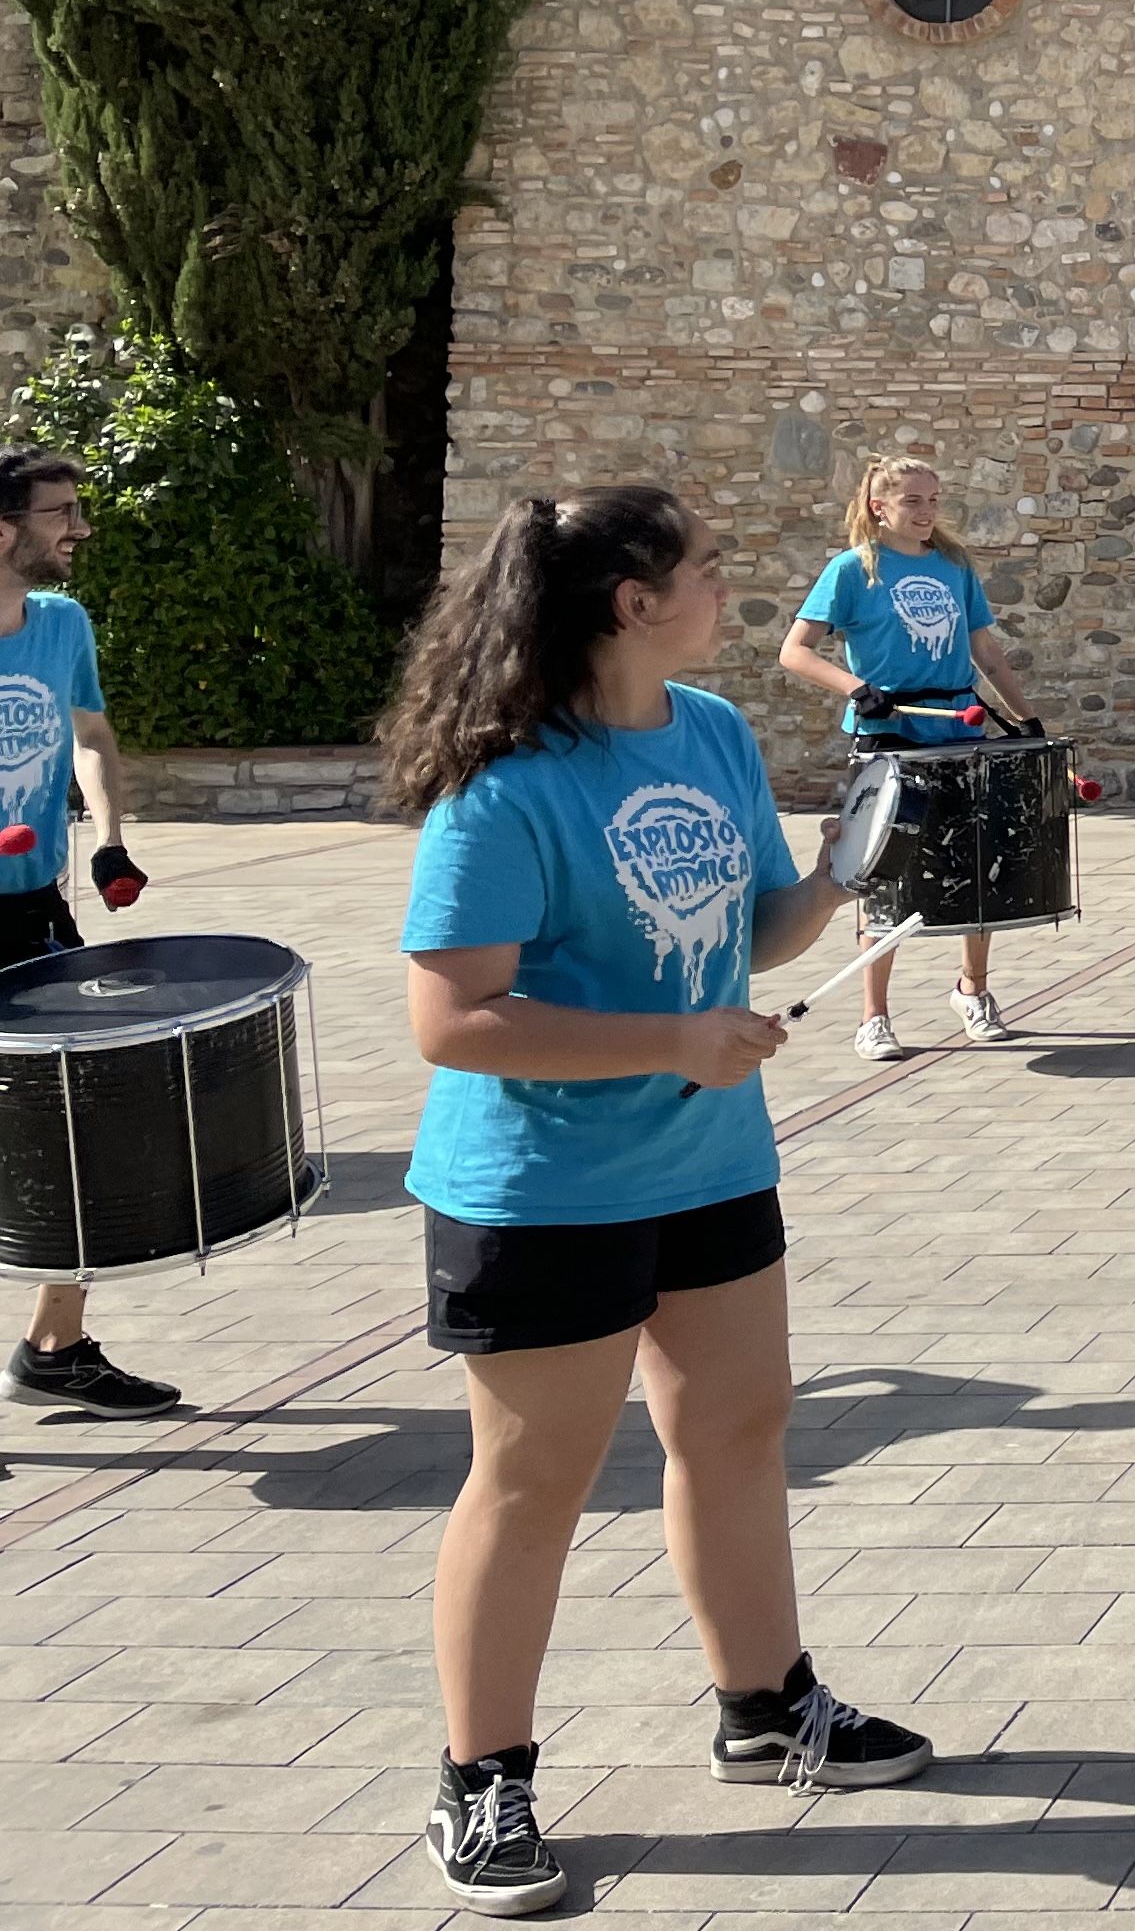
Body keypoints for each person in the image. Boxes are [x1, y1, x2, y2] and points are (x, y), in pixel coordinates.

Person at [388, 487, 929, 1917]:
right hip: (541, 1188)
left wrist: (843, 867)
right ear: (632, 600)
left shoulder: (712, 733)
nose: (726, 585)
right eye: (704, 569)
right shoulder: (506, 784)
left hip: (707, 1167)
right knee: (532, 1486)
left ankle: (766, 1709)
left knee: (739, 1433)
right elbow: (452, 1022)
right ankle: (482, 1779)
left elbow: (755, 930)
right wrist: (673, 1041)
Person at [0, 447, 174, 1425]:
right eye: (62, 512)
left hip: (32, 911)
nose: (81, 529)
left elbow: (91, 736)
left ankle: (56, 1347)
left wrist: (109, 840)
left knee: (83, 1127)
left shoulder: (61, 624)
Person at [778, 455, 1043, 1059]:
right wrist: (852, 687)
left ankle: (973, 991)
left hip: (960, 731)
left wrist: (1023, 716)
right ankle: (875, 1017)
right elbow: (793, 652)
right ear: (880, 507)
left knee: (980, 865)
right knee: (881, 873)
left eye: (933, 500)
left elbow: (984, 649)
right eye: (913, 502)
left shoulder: (953, 566)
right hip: (888, 734)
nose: (926, 512)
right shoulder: (852, 570)